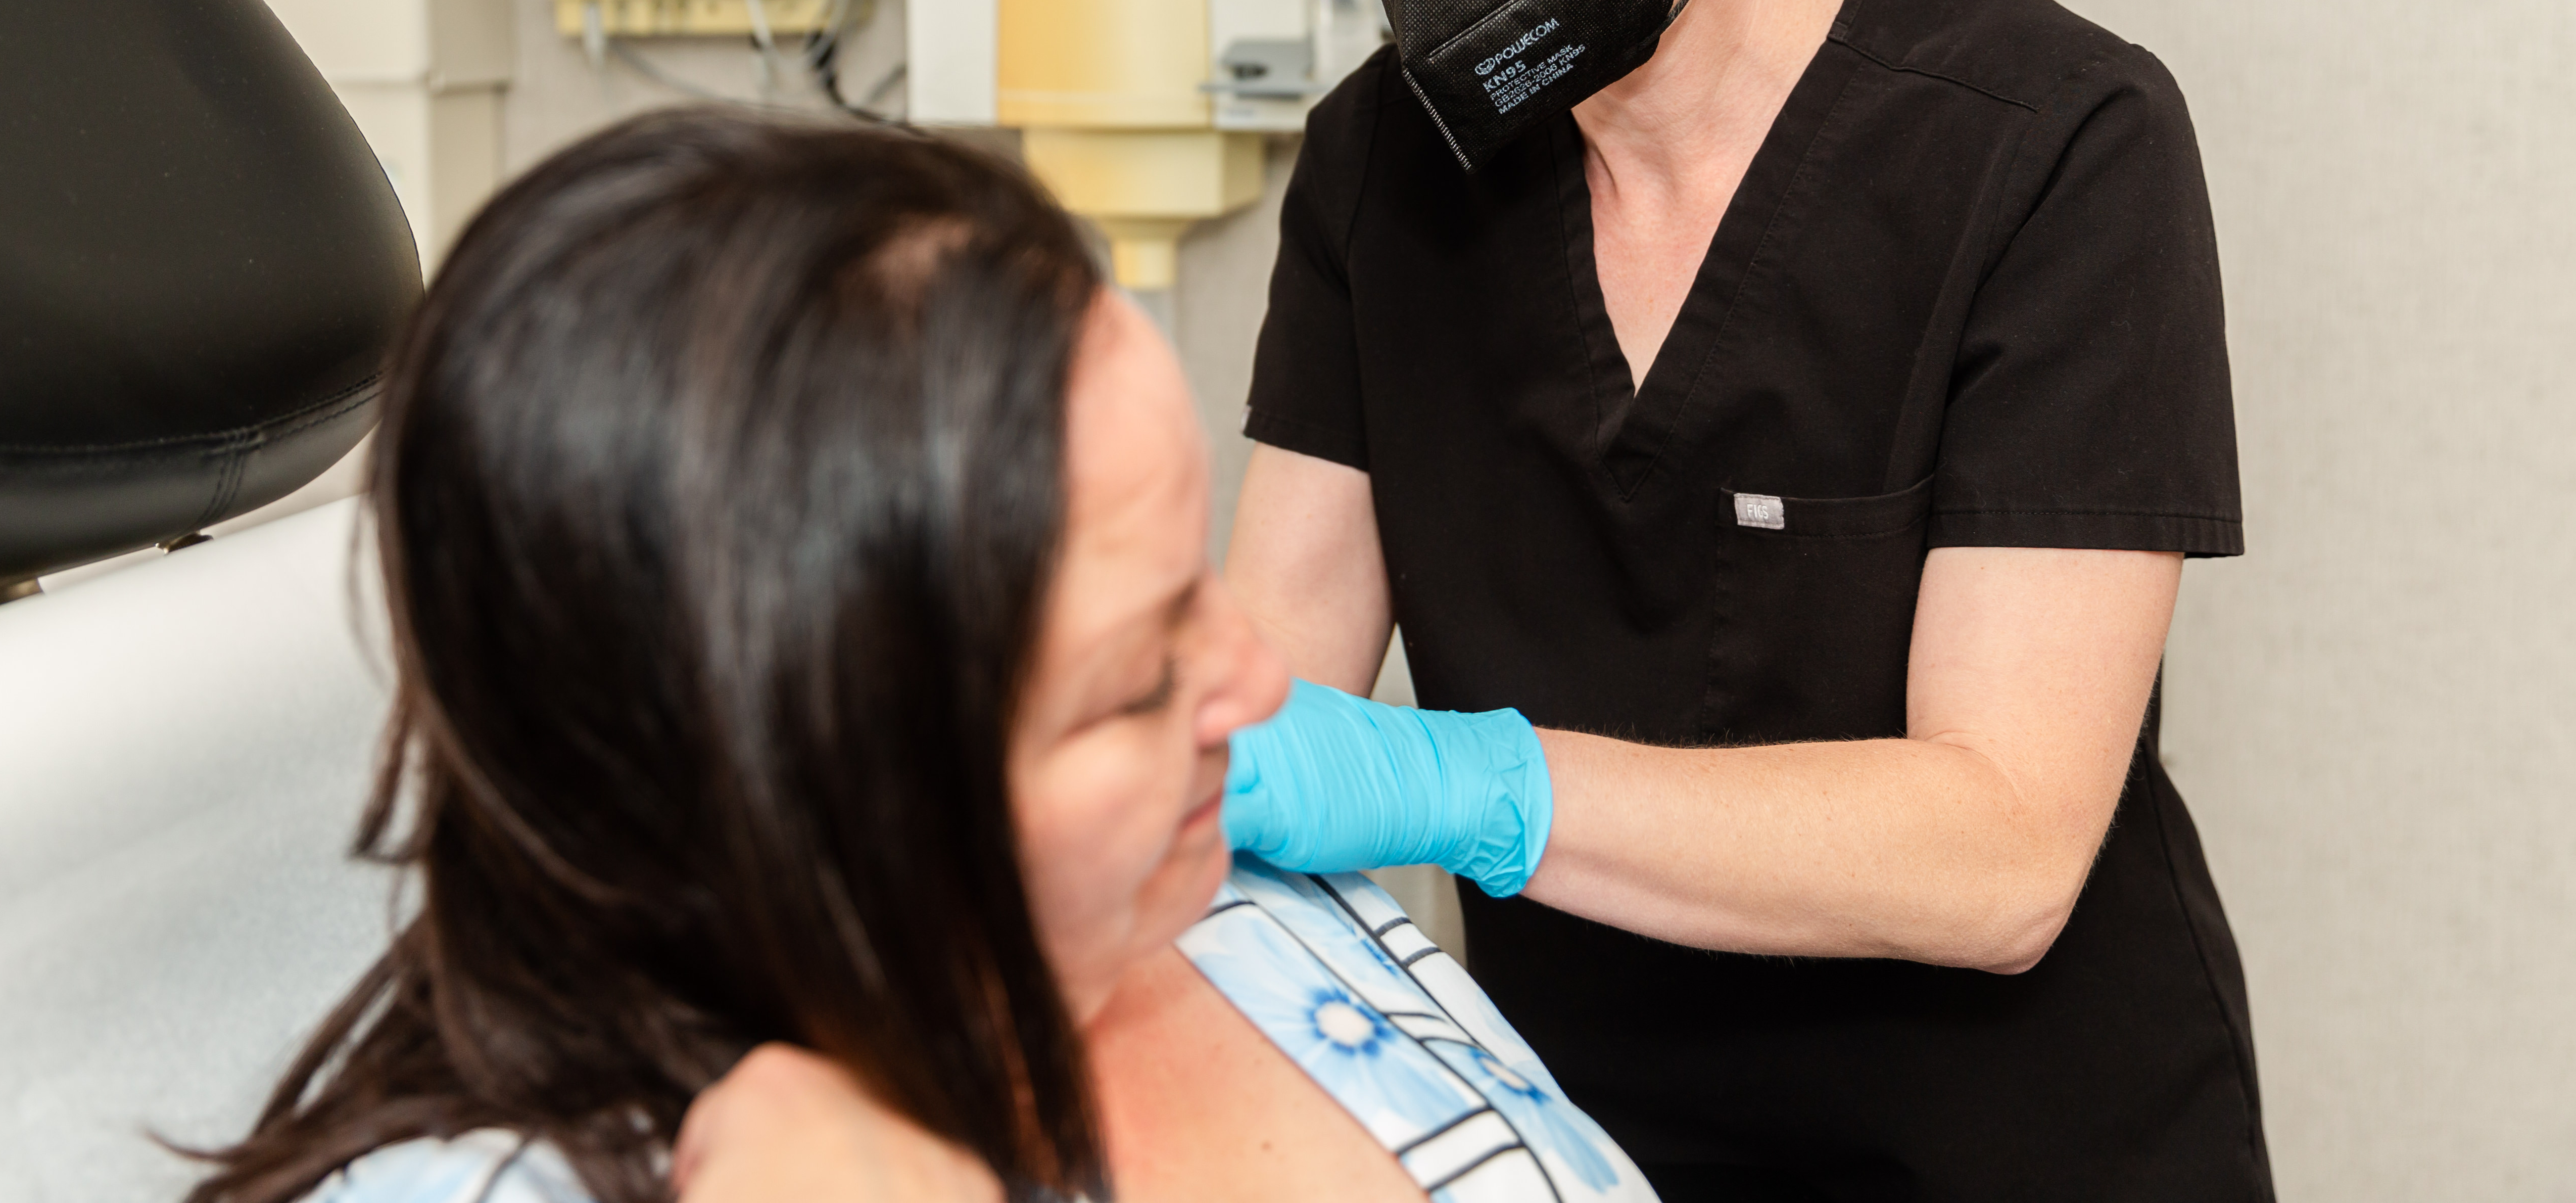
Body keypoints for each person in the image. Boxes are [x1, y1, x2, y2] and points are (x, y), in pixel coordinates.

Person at [1218, 0, 2272, 1199]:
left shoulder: (2048, 146)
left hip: (2025, 1151)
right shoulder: (1384, 165)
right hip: (1583, 1145)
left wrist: (1465, 786)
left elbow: (2003, 853)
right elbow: (1257, 700)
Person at [182, 108, 1651, 1203]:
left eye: (1190, 583)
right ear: (807, 795)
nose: (1262, 685)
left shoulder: (1235, 891)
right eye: (1136, 676)